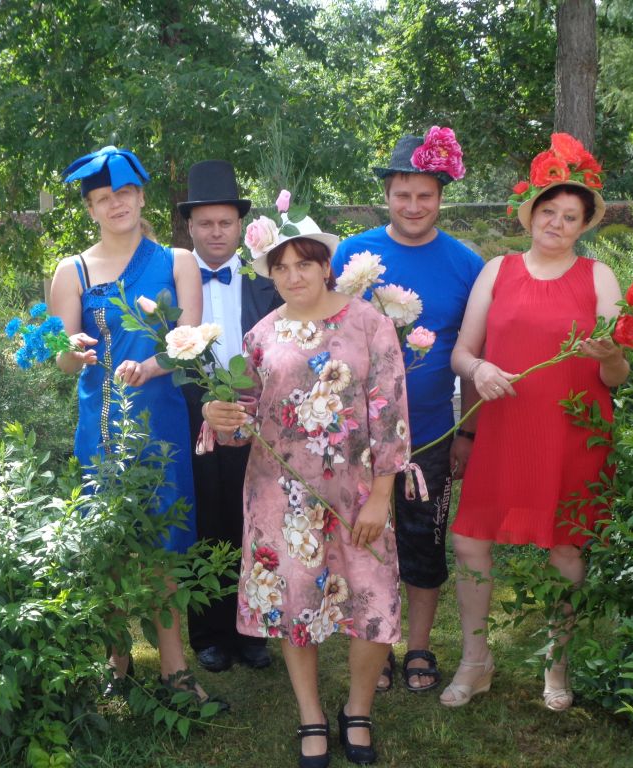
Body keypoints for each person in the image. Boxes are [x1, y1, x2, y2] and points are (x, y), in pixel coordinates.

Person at [203, 212, 414, 767]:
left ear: (326, 267)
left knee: (373, 602)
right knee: (295, 604)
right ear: (271, 275)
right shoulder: (260, 335)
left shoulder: (369, 324)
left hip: (357, 493)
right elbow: (245, 421)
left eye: (304, 264)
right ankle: (311, 715)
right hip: (281, 497)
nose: (294, 276)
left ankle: (358, 710)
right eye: (282, 267)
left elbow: (390, 413)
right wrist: (220, 416)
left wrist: (381, 495)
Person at [443, 134, 629, 711]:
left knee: (566, 549)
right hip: (503, 429)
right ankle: (476, 660)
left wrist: (611, 356)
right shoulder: (497, 270)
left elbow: (618, 375)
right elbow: (461, 353)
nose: (557, 223)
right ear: (531, 213)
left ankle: (556, 662)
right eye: (549, 211)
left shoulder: (599, 277)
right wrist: (481, 368)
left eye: (570, 216)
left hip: (571, 432)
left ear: (583, 225)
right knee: (469, 540)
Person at [48, 145, 224, 709]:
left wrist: (151, 366)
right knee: (111, 543)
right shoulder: (72, 270)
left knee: (164, 545)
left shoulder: (177, 261)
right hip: (101, 427)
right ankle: (116, 663)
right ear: (91, 208)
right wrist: (73, 350)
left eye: (124, 193)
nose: (116, 204)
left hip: (161, 420)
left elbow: (189, 339)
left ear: (141, 197)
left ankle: (174, 669)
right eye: (103, 198)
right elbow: (61, 357)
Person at [330, 128, 484, 693]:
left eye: (425, 195)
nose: (413, 206)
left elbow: (474, 353)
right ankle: (377, 639)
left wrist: (467, 433)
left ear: (441, 195)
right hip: (359, 434)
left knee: (423, 540)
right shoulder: (353, 255)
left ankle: (418, 645)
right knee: (364, 541)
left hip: (431, 434)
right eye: (402, 194)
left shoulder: (467, 264)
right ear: (386, 196)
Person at [178, 160, 281, 673]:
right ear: (190, 227)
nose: (216, 232)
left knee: (255, 524)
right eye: (205, 223)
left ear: (240, 226)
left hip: (258, 423)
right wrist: (203, 404)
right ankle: (209, 633)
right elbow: (166, 352)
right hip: (197, 420)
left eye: (225, 222)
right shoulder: (175, 285)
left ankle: (253, 630)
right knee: (207, 522)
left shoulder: (266, 284)